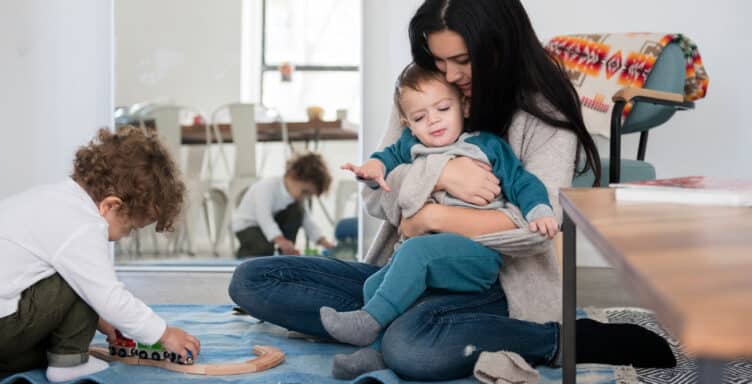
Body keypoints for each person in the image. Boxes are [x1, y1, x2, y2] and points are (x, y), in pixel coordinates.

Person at [228, 0, 676, 380]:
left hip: (493, 281)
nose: (450, 75)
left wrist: (431, 218)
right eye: (438, 60)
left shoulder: (544, 109)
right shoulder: (420, 90)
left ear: (500, 46)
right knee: (253, 280)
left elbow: (534, 226)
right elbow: (373, 194)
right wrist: (441, 176)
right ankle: (388, 319)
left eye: (462, 61)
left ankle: (552, 339)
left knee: (412, 351)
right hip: (404, 272)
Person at [320, 63, 559, 347]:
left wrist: (540, 211)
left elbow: (522, 182)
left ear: (464, 107)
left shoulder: (487, 146)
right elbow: (385, 158)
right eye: (420, 117)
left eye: (443, 109)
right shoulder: (411, 145)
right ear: (407, 124)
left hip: (478, 256)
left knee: (416, 253)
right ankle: (376, 350)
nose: (433, 121)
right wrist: (372, 170)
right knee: (373, 284)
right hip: (430, 253)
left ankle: (366, 324)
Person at [0, 127, 201, 382]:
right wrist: (163, 334)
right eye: (129, 227)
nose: (124, 236)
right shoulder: (83, 224)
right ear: (110, 205)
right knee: (84, 281)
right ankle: (69, 364)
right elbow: (108, 296)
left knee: (47, 336)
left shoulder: (56, 199)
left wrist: (96, 318)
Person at [231, 152, 335, 257]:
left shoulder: (296, 200)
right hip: (248, 225)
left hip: (271, 224)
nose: (303, 197)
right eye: (304, 192)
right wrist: (281, 241)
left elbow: (308, 222)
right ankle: (244, 254)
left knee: (298, 212)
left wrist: (324, 243)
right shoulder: (267, 187)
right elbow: (264, 218)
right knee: (264, 249)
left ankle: (286, 253)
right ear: (292, 176)